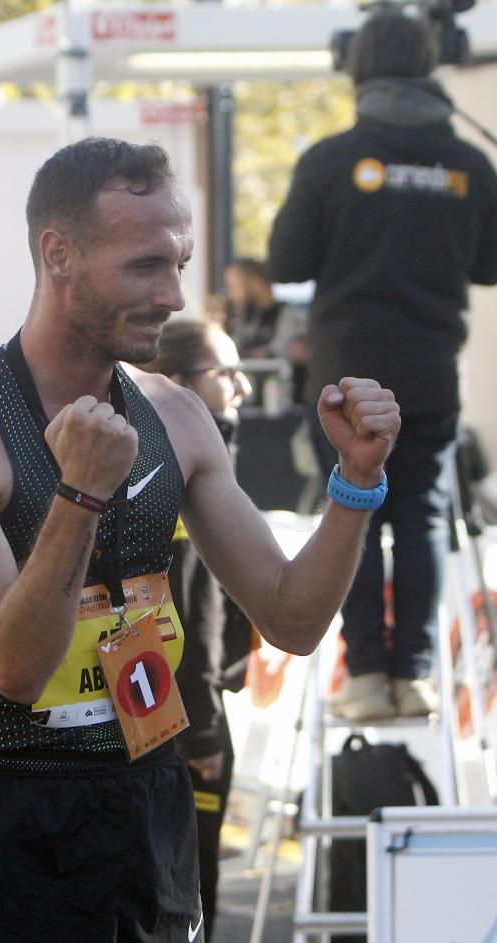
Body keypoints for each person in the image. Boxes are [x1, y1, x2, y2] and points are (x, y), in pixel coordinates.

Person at [0, 135, 400, 943]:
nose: (173, 294)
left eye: (180, 262)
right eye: (144, 266)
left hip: (146, 804)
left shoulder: (175, 412)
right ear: (58, 255)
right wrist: (78, 493)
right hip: (6, 816)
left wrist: (356, 482)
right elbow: (14, 668)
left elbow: (293, 619)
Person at [268, 11, 497, 722]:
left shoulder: (333, 160)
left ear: (358, 68)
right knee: (423, 515)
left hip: (347, 384)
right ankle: (417, 674)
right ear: (430, 68)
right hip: (430, 375)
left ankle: (366, 676)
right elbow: (491, 266)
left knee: (353, 511)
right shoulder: (469, 162)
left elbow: (286, 263)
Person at [141, 318, 254, 939]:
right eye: (224, 373)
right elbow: (190, 609)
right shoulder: (179, 465)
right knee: (187, 893)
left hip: (172, 709)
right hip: (181, 718)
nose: (241, 386)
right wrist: (204, 728)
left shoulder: (196, 449)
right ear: (178, 383)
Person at [223, 257, 310, 405]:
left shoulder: (291, 316)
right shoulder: (241, 320)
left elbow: (289, 353)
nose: (231, 295)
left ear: (257, 283)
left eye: (235, 287)